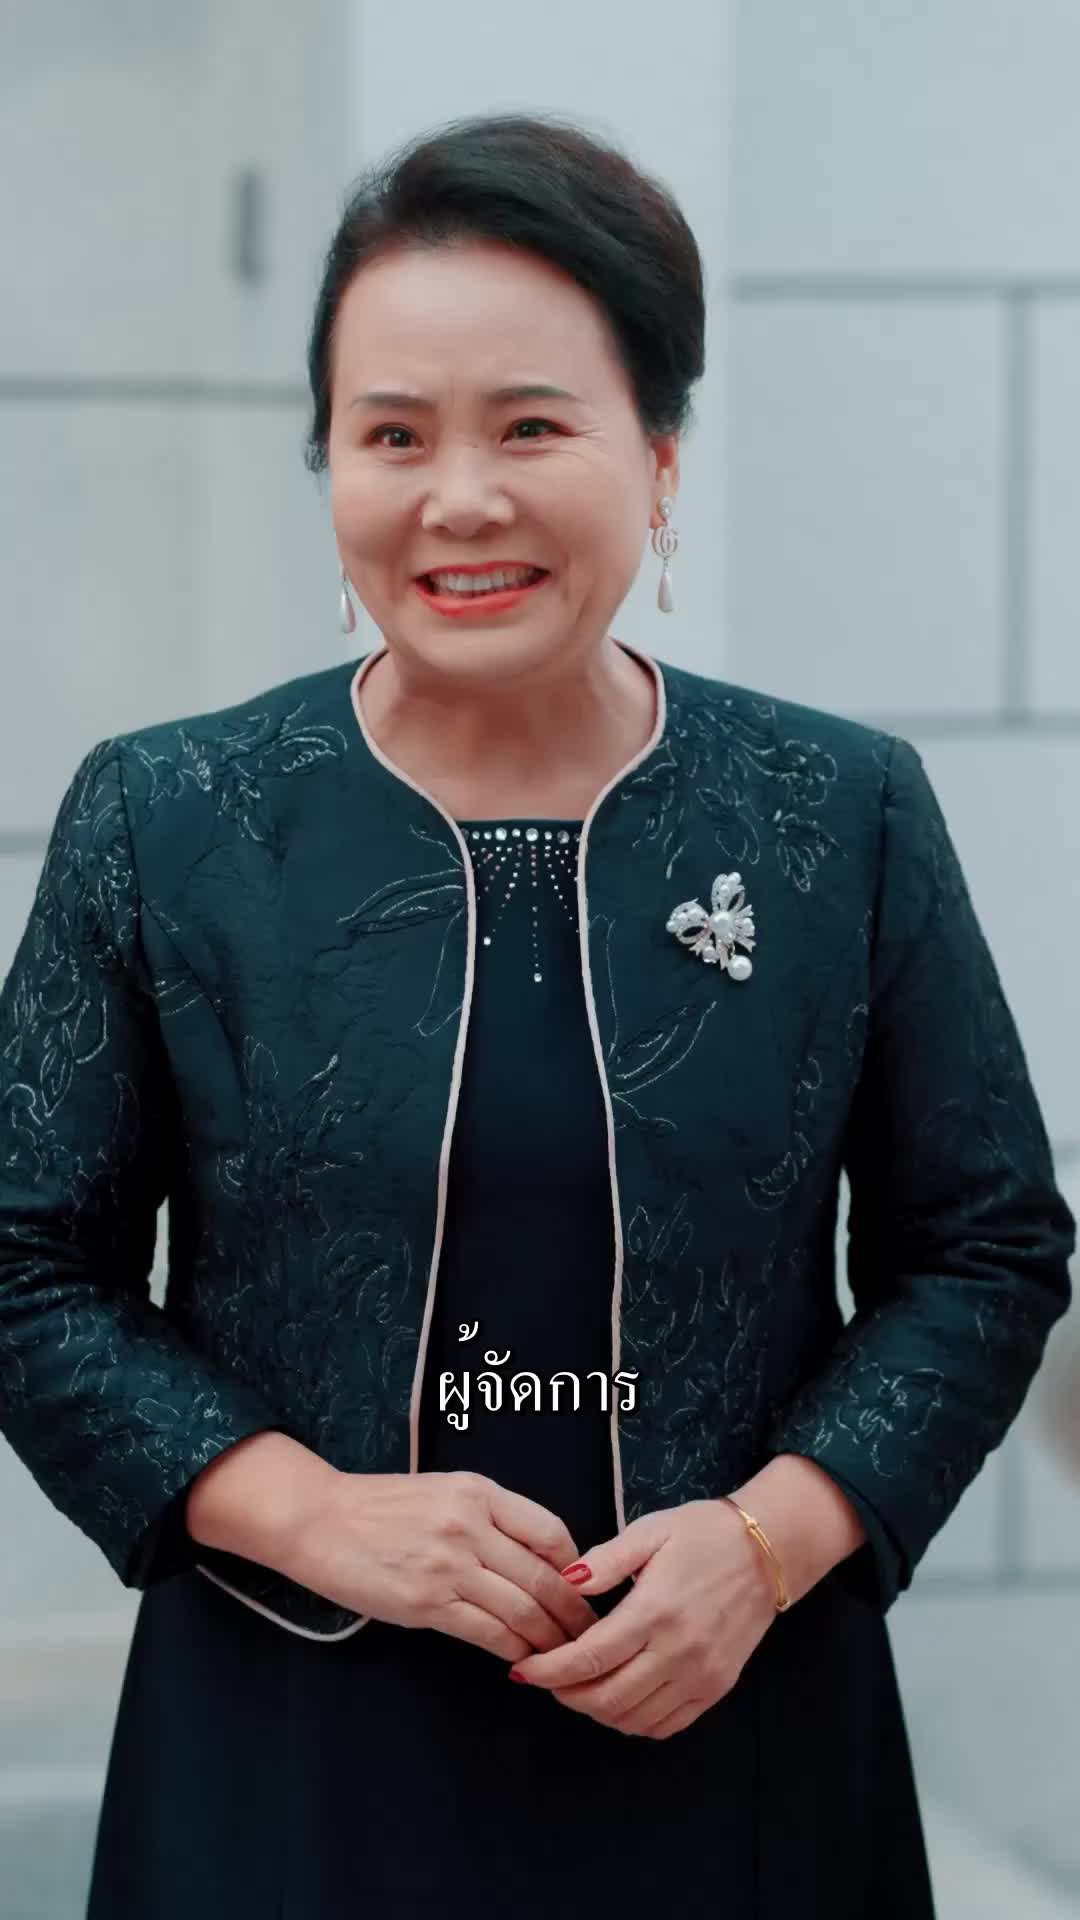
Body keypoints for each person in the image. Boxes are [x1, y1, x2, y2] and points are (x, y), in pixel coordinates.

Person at [0, 110, 1074, 1920]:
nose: (460, 498)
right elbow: (27, 1265)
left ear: (657, 458)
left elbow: (983, 1247)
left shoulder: (837, 814)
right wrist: (310, 1509)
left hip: (740, 1735)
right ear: (330, 466)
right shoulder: (167, 819)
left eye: (529, 426)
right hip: (290, 1751)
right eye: (392, 434)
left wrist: (766, 1544)